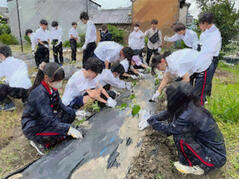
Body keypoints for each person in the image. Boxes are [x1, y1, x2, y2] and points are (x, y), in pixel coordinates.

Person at [139, 81, 226, 175]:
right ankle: (195, 159)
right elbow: (169, 112)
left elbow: (170, 129)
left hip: (213, 159)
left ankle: (191, 165)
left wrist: (152, 122)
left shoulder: (188, 115)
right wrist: (153, 118)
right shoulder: (190, 105)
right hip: (212, 150)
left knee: (180, 138)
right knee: (179, 129)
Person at [22, 62, 83, 155]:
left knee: (69, 116)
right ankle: (37, 141)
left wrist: (75, 113)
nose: (60, 84)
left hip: (45, 118)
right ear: (47, 78)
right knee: (62, 133)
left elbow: (60, 106)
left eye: (61, 81)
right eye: (58, 81)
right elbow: (49, 120)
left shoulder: (52, 89)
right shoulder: (40, 94)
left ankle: (57, 133)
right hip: (34, 126)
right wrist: (67, 129)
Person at [193, 13, 222, 101]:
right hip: (204, 57)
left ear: (205, 23)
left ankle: (203, 99)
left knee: (205, 80)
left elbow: (211, 50)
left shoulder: (215, 34)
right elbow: (201, 43)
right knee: (205, 80)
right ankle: (205, 97)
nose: (199, 26)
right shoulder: (206, 32)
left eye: (200, 24)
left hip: (210, 59)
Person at [0, 45, 32, 111]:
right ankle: (27, 101)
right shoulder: (21, 62)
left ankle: (8, 105)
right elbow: (19, 76)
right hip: (28, 90)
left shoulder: (3, 64)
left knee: (1, 87)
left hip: (16, 91)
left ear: (1, 55)